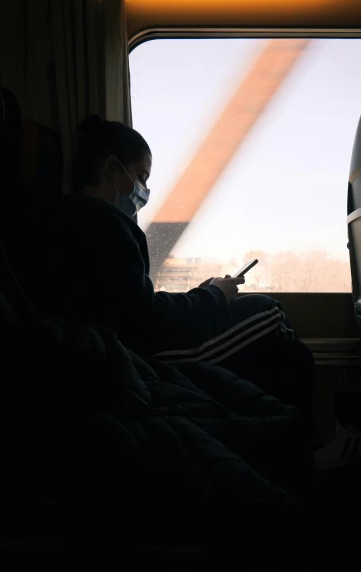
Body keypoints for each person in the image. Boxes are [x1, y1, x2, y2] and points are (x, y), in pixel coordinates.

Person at [46, 115, 315, 422]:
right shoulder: (101, 223)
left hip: (129, 342)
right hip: (141, 354)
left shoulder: (71, 217)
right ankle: (315, 434)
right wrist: (214, 296)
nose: (144, 190)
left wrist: (201, 295)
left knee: (283, 353)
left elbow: (128, 300)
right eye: (141, 176)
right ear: (111, 169)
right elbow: (144, 316)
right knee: (269, 311)